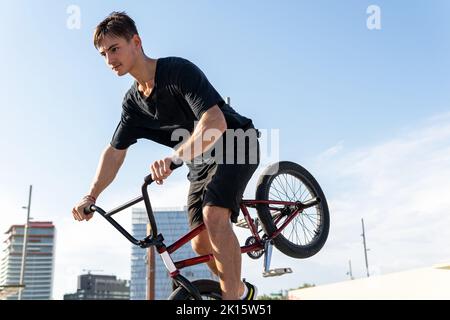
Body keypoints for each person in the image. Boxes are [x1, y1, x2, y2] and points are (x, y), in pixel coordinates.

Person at [71, 12, 260, 300]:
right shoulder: (133, 104)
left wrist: (174, 159)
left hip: (235, 141)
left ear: (136, 42)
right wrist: (91, 196)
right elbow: (114, 153)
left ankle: (233, 298)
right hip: (200, 163)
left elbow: (215, 123)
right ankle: (242, 289)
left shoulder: (177, 72)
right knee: (199, 243)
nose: (109, 60)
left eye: (114, 49)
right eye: (103, 54)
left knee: (215, 215)